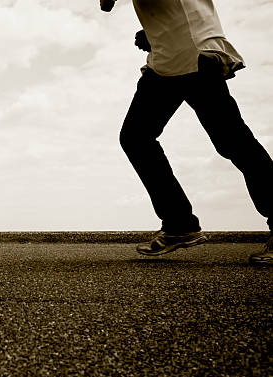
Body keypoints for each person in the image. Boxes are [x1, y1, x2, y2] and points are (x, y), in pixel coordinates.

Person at [101, 0, 273, 265]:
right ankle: (179, 223)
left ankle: (179, 221)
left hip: (193, 55)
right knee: (138, 137)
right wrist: (156, 32)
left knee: (234, 141)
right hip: (172, 56)